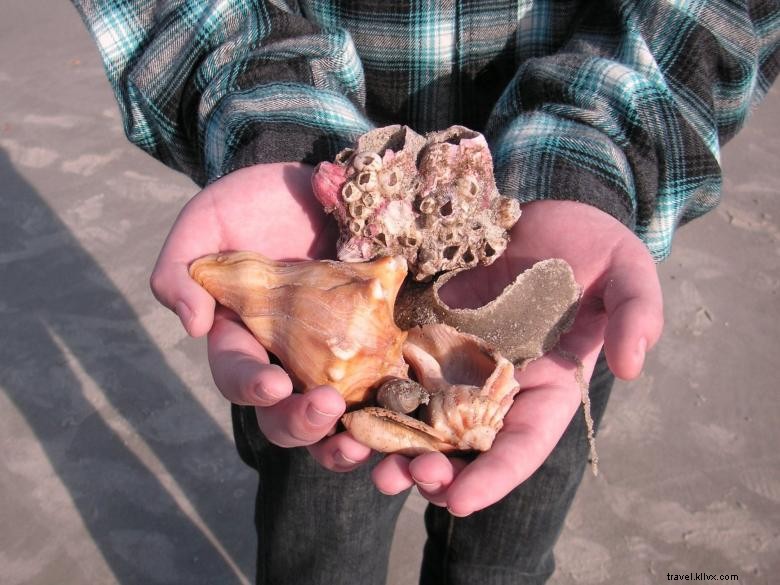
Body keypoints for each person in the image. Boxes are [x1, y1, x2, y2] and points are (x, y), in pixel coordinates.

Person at [72, 1, 779, 583]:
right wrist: (288, 133)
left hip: (552, 322)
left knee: (503, 560)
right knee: (319, 553)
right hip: (329, 256)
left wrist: (586, 166)